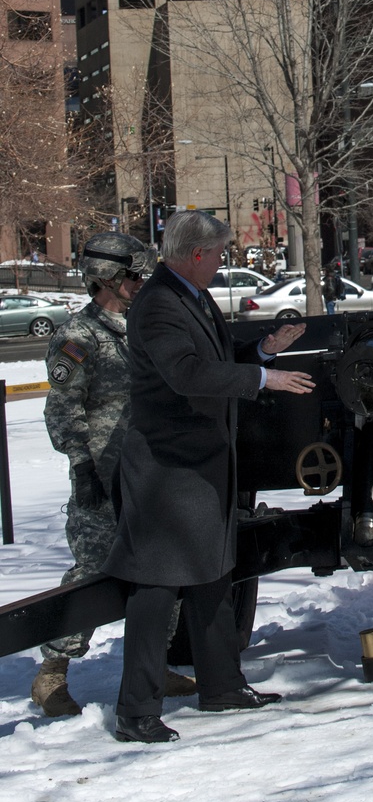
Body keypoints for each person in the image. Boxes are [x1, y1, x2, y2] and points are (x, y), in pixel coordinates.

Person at [105, 210, 316, 745]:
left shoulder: (188, 294)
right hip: (166, 469)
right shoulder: (157, 304)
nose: (223, 263)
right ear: (196, 254)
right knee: (156, 588)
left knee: (215, 575)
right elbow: (188, 375)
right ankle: (137, 710)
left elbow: (214, 360)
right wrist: (265, 377)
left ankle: (221, 684)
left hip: (201, 463)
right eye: (219, 254)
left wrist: (263, 351)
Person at [30, 232, 194, 717]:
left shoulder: (142, 327)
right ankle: (53, 672)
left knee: (166, 563)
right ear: (105, 280)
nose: (141, 284)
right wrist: (81, 465)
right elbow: (61, 407)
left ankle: (154, 663)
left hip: (153, 470)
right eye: (133, 277)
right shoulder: (78, 337)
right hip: (103, 474)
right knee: (93, 571)